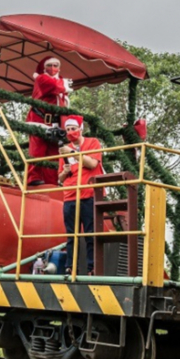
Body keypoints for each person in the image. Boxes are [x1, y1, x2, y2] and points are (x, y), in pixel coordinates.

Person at [57, 115, 103, 276]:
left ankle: (92, 268)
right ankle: (71, 267)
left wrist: (73, 152)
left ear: (81, 129)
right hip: (70, 195)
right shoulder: (64, 150)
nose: (70, 132)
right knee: (71, 235)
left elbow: (92, 164)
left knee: (90, 233)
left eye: (73, 129)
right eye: (68, 129)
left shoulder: (93, 143)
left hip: (89, 194)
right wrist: (64, 172)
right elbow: (60, 178)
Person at [27, 56, 71, 186]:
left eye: (56, 65)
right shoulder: (42, 78)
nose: (53, 68)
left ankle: (52, 181)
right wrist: (65, 85)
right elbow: (55, 86)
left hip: (55, 122)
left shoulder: (59, 80)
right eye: (49, 65)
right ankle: (33, 178)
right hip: (39, 118)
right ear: (44, 68)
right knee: (37, 150)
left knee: (53, 152)